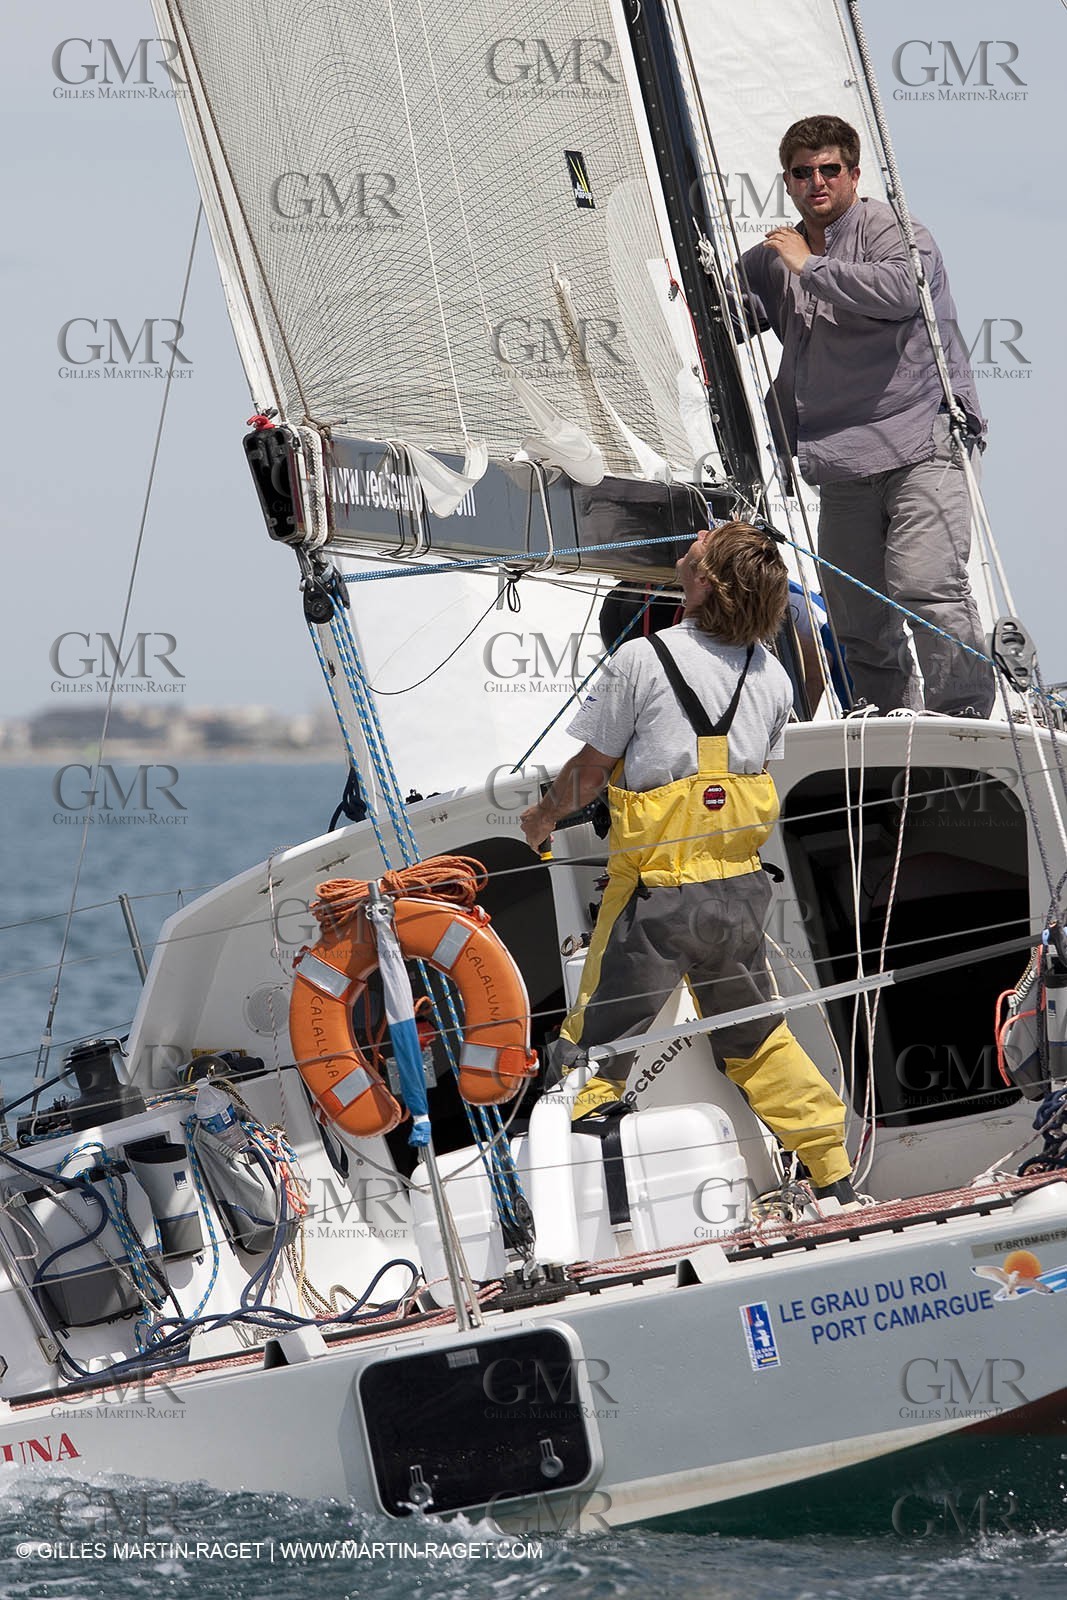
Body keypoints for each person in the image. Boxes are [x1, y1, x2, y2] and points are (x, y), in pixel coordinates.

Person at [519, 522, 856, 1206]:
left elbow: (588, 774)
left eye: (701, 545)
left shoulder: (641, 661)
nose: (690, 541)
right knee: (759, 1041)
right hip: (735, 896)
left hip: (653, 898)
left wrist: (541, 819)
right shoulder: (772, 677)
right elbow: (750, 773)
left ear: (705, 581)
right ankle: (833, 1175)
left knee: (591, 1052)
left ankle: (577, 1208)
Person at [739, 114, 994, 718]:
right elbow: (726, 308)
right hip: (841, 459)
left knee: (925, 588)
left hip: (922, 443)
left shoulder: (893, 231)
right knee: (855, 613)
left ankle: (962, 719)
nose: (817, 182)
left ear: (854, 174)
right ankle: (882, 726)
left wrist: (810, 266)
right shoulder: (776, 256)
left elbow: (905, 291)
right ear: (789, 181)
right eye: (803, 173)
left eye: (830, 170)